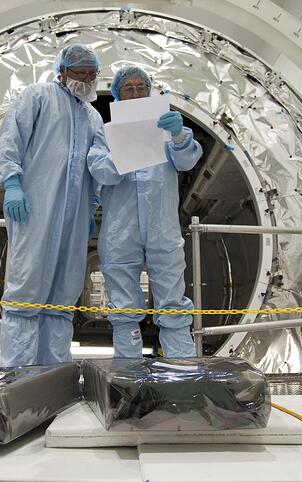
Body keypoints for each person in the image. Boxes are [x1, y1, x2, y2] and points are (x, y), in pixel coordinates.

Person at [0, 44, 121, 366]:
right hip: (35, 209)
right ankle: (19, 374)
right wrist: (12, 184)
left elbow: (94, 167)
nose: (86, 79)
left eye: (91, 74)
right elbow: (10, 140)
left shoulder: (93, 117)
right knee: (26, 291)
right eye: (80, 73)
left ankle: (52, 373)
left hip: (75, 218)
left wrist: (91, 207)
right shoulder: (37, 97)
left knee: (62, 297)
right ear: (62, 71)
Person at [97, 65, 203, 358]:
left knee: (172, 299)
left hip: (162, 229)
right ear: (117, 95)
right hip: (121, 232)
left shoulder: (168, 129)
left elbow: (187, 161)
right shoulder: (104, 134)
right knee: (123, 305)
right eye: (128, 88)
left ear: (149, 91)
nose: (135, 93)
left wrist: (179, 136)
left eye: (141, 87)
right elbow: (100, 171)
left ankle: (182, 366)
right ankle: (128, 369)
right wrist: (126, 150)